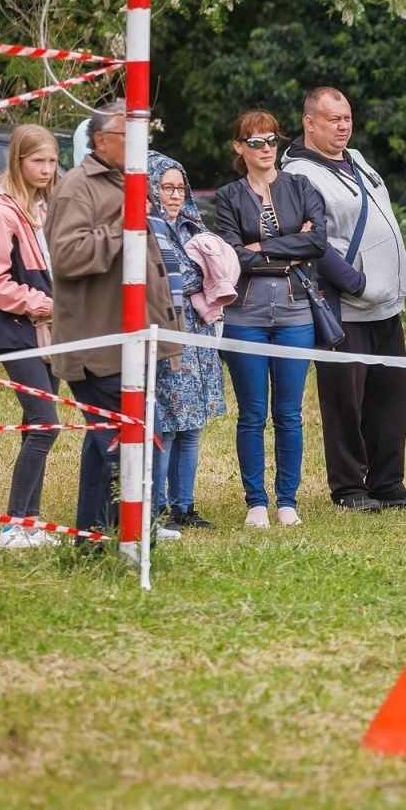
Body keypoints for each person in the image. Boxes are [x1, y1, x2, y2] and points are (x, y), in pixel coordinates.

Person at [282, 87, 406, 512]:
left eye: (347, 118)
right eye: (333, 120)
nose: (344, 126)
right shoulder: (299, 175)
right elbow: (312, 241)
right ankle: (349, 487)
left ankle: (388, 481)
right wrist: (357, 283)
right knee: (346, 399)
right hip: (345, 305)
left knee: (392, 395)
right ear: (310, 123)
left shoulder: (358, 160)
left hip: (387, 303)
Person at [48, 100, 180, 552]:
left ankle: (105, 532)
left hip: (134, 341)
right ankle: (104, 536)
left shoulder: (129, 183)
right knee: (121, 437)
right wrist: (122, 228)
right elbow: (66, 256)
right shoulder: (77, 188)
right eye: (129, 135)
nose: (141, 145)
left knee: (113, 438)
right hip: (97, 346)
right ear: (102, 141)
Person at [214, 111, 328, 527]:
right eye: (256, 142)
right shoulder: (228, 195)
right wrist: (287, 247)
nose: (266, 149)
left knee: (289, 412)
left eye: (272, 140)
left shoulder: (300, 185)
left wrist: (261, 245)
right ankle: (256, 502)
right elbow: (228, 254)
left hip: (296, 310)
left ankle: (287, 502)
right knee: (252, 412)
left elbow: (318, 241)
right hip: (245, 313)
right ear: (239, 147)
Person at [0, 124, 62, 549]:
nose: (46, 169)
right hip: (16, 330)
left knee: (36, 427)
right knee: (46, 424)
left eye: (51, 161)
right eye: (37, 161)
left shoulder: (44, 207)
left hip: (52, 332)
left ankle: (30, 523)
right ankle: (13, 526)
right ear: (18, 160)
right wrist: (41, 303)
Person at [147, 152, 227, 530]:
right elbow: (175, 279)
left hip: (200, 335)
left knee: (193, 425)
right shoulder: (146, 230)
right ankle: (157, 507)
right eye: (167, 187)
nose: (176, 195)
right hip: (168, 335)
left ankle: (185, 506)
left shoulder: (195, 228)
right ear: (150, 187)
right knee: (166, 424)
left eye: (181, 188)